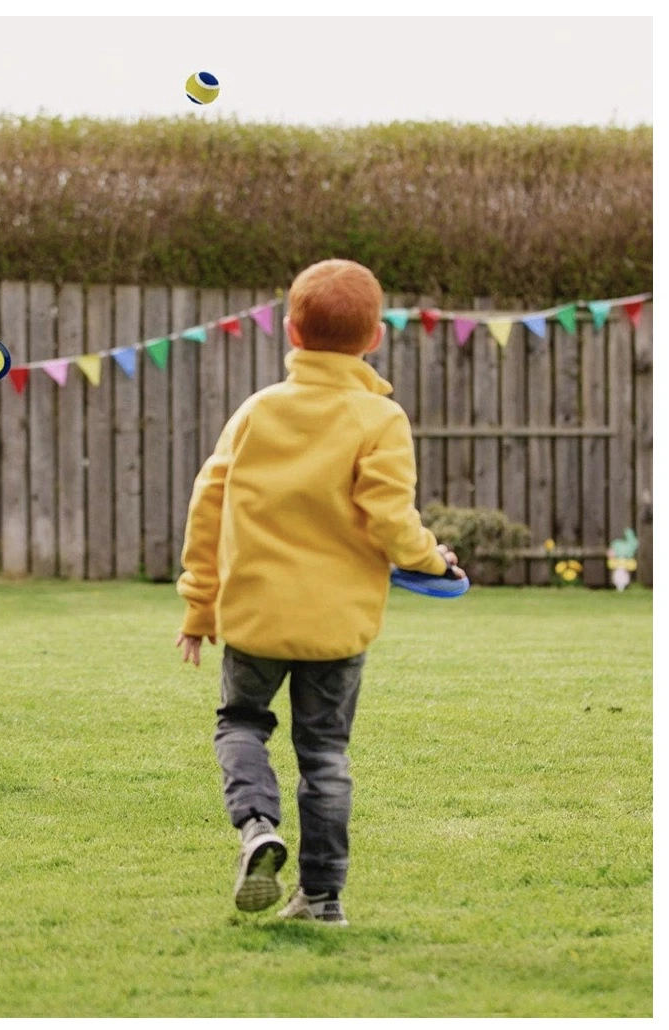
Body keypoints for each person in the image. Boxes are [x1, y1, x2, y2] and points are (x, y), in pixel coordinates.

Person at [174, 259, 464, 924]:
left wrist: (199, 604)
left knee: (241, 724)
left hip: (253, 618)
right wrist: (435, 561)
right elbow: (392, 518)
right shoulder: (380, 418)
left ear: (292, 332)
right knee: (325, 754)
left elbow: (207, 507)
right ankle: (323, 897)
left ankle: (257, 829)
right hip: (337, 625)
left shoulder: (258, 411)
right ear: (375, 339)